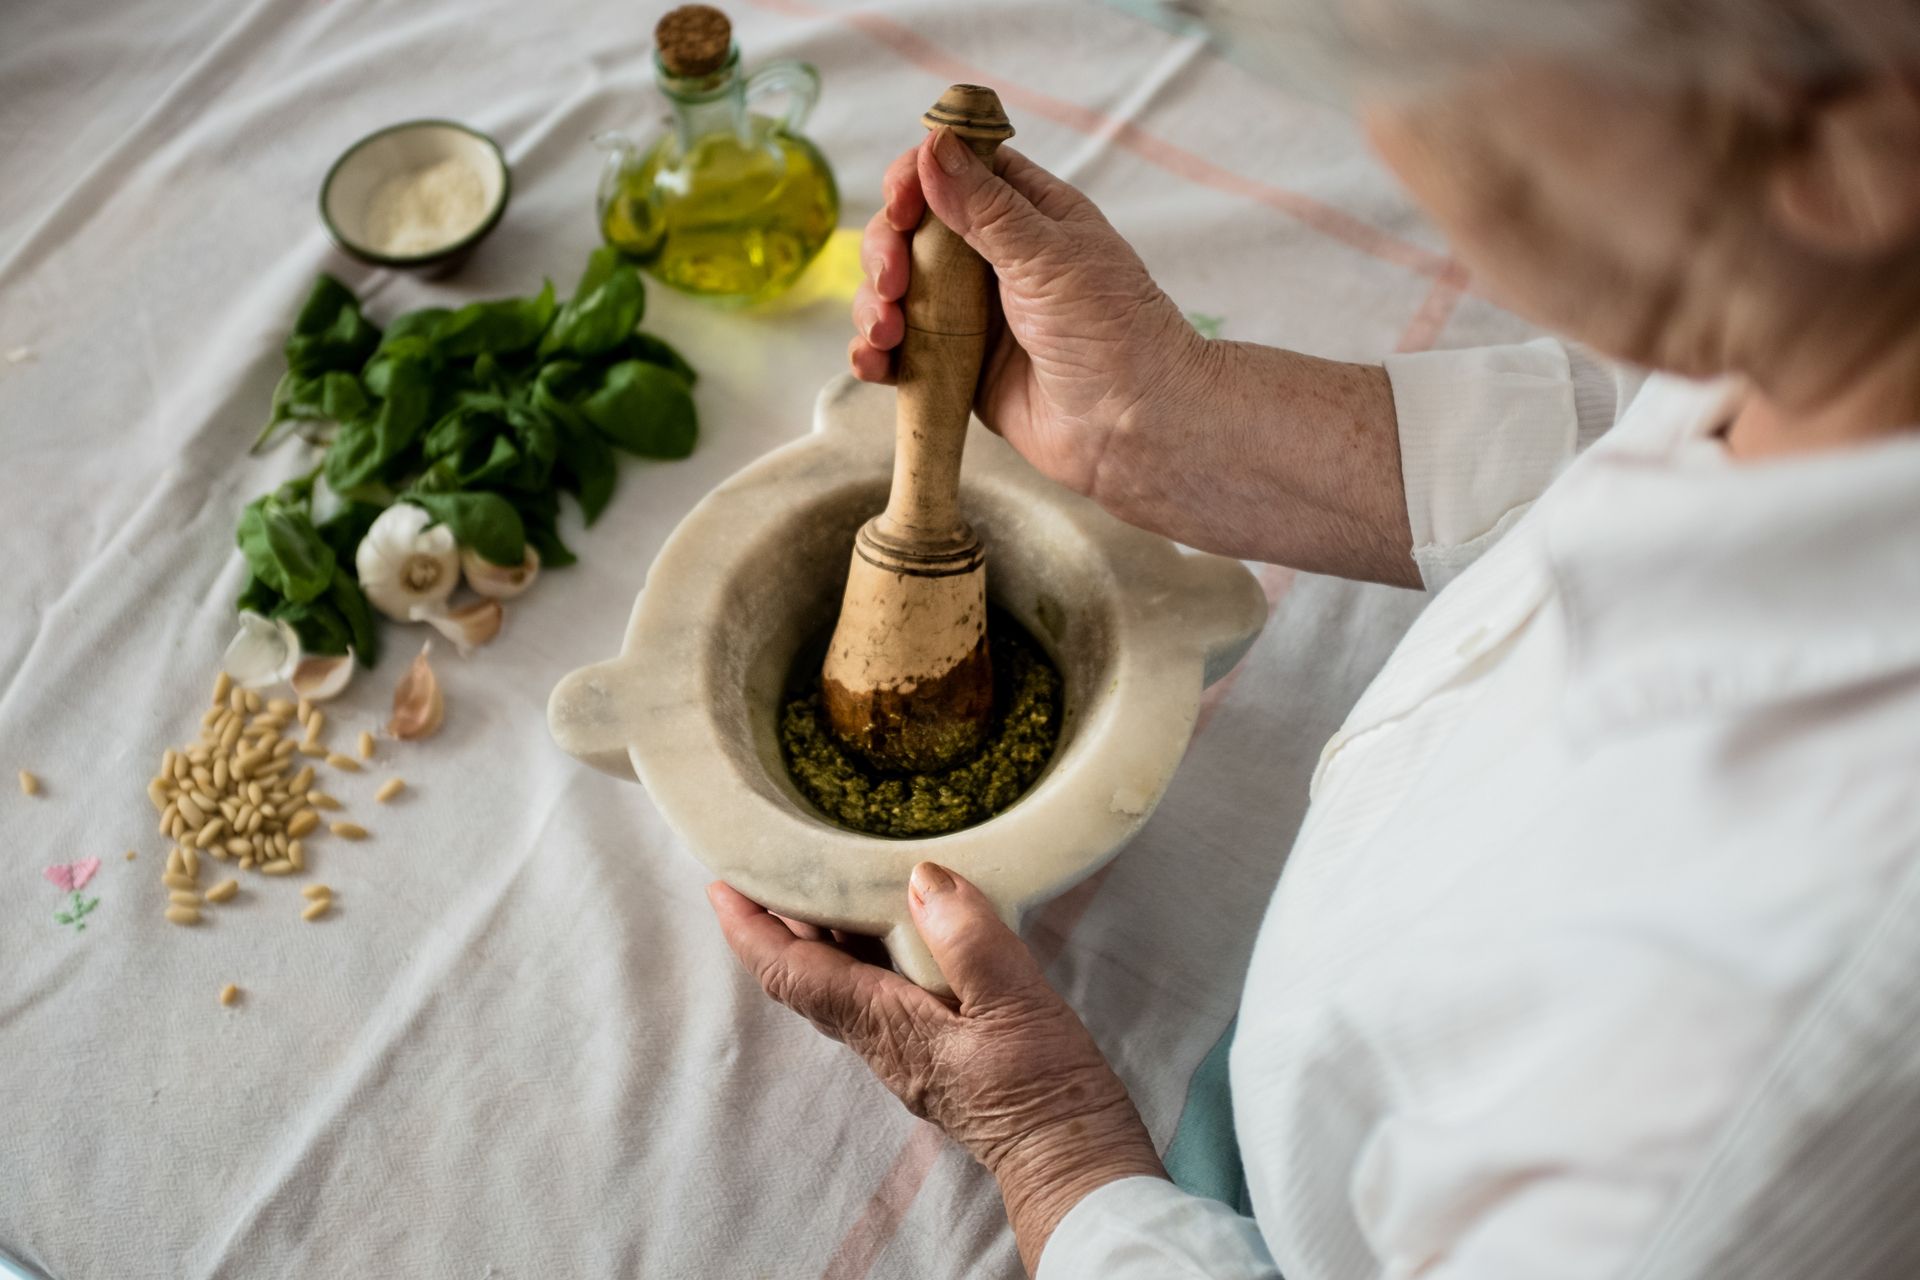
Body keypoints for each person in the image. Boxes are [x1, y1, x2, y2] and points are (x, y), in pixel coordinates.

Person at [708, 1, 1920, 1275]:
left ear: (1846, 150)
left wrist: (1058, 1148)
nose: (1384, 125)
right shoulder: (1849, 327)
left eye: (1422, 58)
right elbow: (1668, 413)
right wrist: (1163, 420)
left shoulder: (1754, 1064)